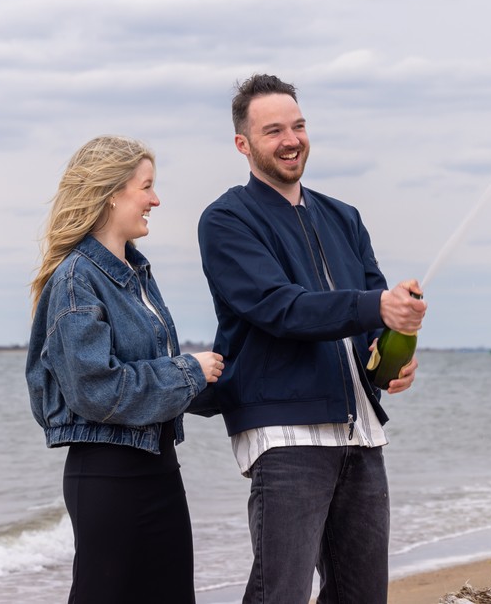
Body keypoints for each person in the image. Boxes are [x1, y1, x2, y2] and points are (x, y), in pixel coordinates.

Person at [197, 74, 427, 604]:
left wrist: (390, 356)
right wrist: (375, 305)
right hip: (283, 431)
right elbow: (281, 308)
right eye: (273, 130)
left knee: (360, 596)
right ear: (243, 144)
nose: (291, 139)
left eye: (298, 126)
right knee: (281, 593)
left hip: (360, 433)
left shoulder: (344, 217)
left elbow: (372, 316)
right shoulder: (227, 220)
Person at [26, 135, 223, 604]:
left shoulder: (135, 276)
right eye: (147, 187)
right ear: (112, 193)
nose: (156, 199)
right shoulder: (76, 279)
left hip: (159, 470)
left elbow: (156, 377)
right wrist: (191, 370)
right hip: (107, 478)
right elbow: (97, 390)